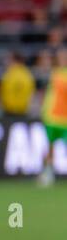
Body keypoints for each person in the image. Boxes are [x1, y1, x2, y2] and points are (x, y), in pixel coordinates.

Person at [39, 47, 67, 186]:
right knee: (50, 147)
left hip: (65, 119)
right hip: (52, 117)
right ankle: (47, 172)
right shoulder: (53, 73)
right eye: (61, 57)